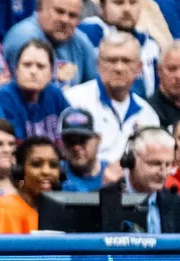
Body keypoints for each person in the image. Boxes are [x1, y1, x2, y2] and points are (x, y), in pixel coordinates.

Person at [65, 30, 160, 166]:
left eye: (126, 61)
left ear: (139, 68)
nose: (119, 68)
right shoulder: (74, 101)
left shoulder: (148, 114)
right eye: (111, 60)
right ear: (98, 65)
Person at [98, 126, 180, 232]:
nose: (163, 172)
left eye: (168, 164)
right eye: (155, 163)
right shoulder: (102, 200)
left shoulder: (175, 203)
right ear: (131, 161)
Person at [0, 136, 62, 234]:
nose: (46, 171)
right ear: (20, 171)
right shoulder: (6, 209)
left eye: (53, 165)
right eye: (36, 164)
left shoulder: (59, 213)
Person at [0, 39, 72, 143]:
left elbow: (73, 131)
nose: (33, 71)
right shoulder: (3, 98)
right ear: (16, 70)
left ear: (51, 73)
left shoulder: (55, 94)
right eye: (27, 65)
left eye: (40, 66)